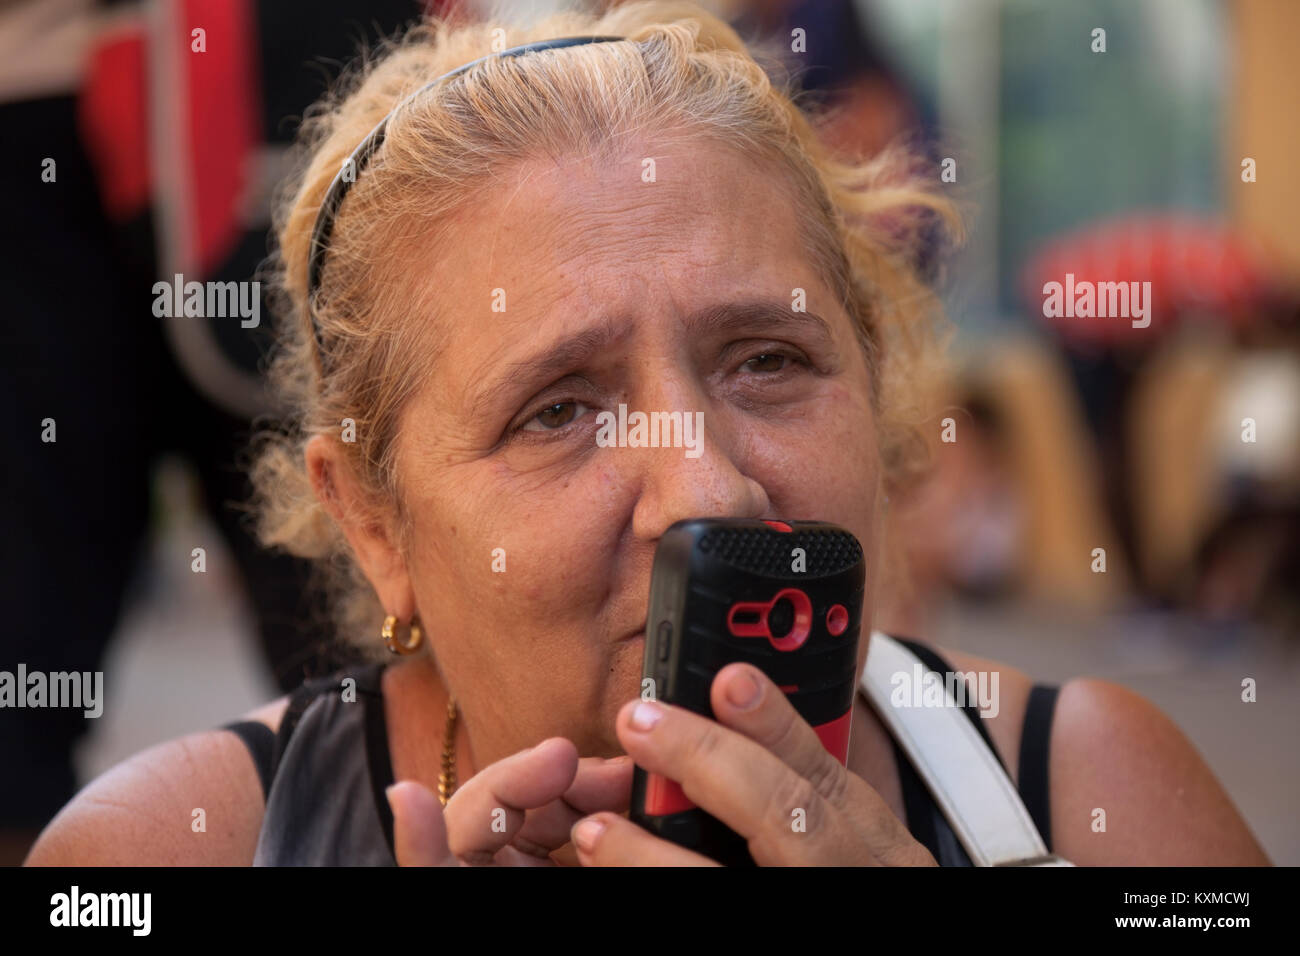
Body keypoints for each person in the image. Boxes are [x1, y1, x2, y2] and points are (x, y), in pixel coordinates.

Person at [26, 0, 1270, 867]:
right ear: (373, 522)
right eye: (558, 409)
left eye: (770, 361)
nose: (710, 490)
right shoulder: (156, 848)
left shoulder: (1099, 790)